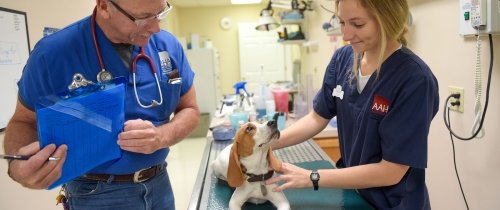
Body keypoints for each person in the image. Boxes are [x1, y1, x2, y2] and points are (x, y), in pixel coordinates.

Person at [3, 0, 200, 209]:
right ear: (104, 6)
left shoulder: (167, 48)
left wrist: (163, 136)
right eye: (143, 18)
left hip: (159, 184)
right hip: (94, 195)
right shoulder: (52, 54)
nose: (155, 27)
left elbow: (190, 109)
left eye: (160, 14)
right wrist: (17, 168)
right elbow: (24, 122)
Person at [267, 0, 439, 209]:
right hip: (354, 194)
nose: (346, 35)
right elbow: (317, 117)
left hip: (392, 202)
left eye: (357, 25)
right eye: (342, 23)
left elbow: (392, 170)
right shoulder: (343, 59)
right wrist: (266, 142)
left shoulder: (414, 80)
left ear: (388, 20)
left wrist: (313, 177)